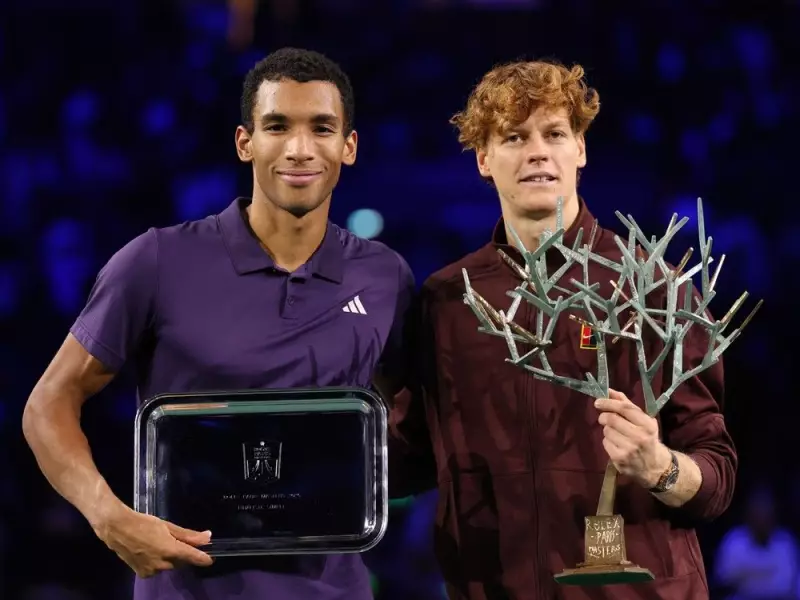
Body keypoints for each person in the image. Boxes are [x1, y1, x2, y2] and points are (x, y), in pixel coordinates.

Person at [23, 47, 414, 600]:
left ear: (348, 146)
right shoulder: (156, 261)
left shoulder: (383, 276)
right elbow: (47, 405)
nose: (300, 148)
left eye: (321, 128)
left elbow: (408, 418)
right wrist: (109, 516)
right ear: (245, 141)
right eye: (277, 126)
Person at [389, 59, 737, 599]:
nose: (537, 151)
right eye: (513, 136)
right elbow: (406, 457)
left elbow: (716, 477)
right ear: (483, 158)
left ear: (580, 149)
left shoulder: (652, 289)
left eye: (554, 133)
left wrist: (661, 466)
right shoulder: (447, 301)